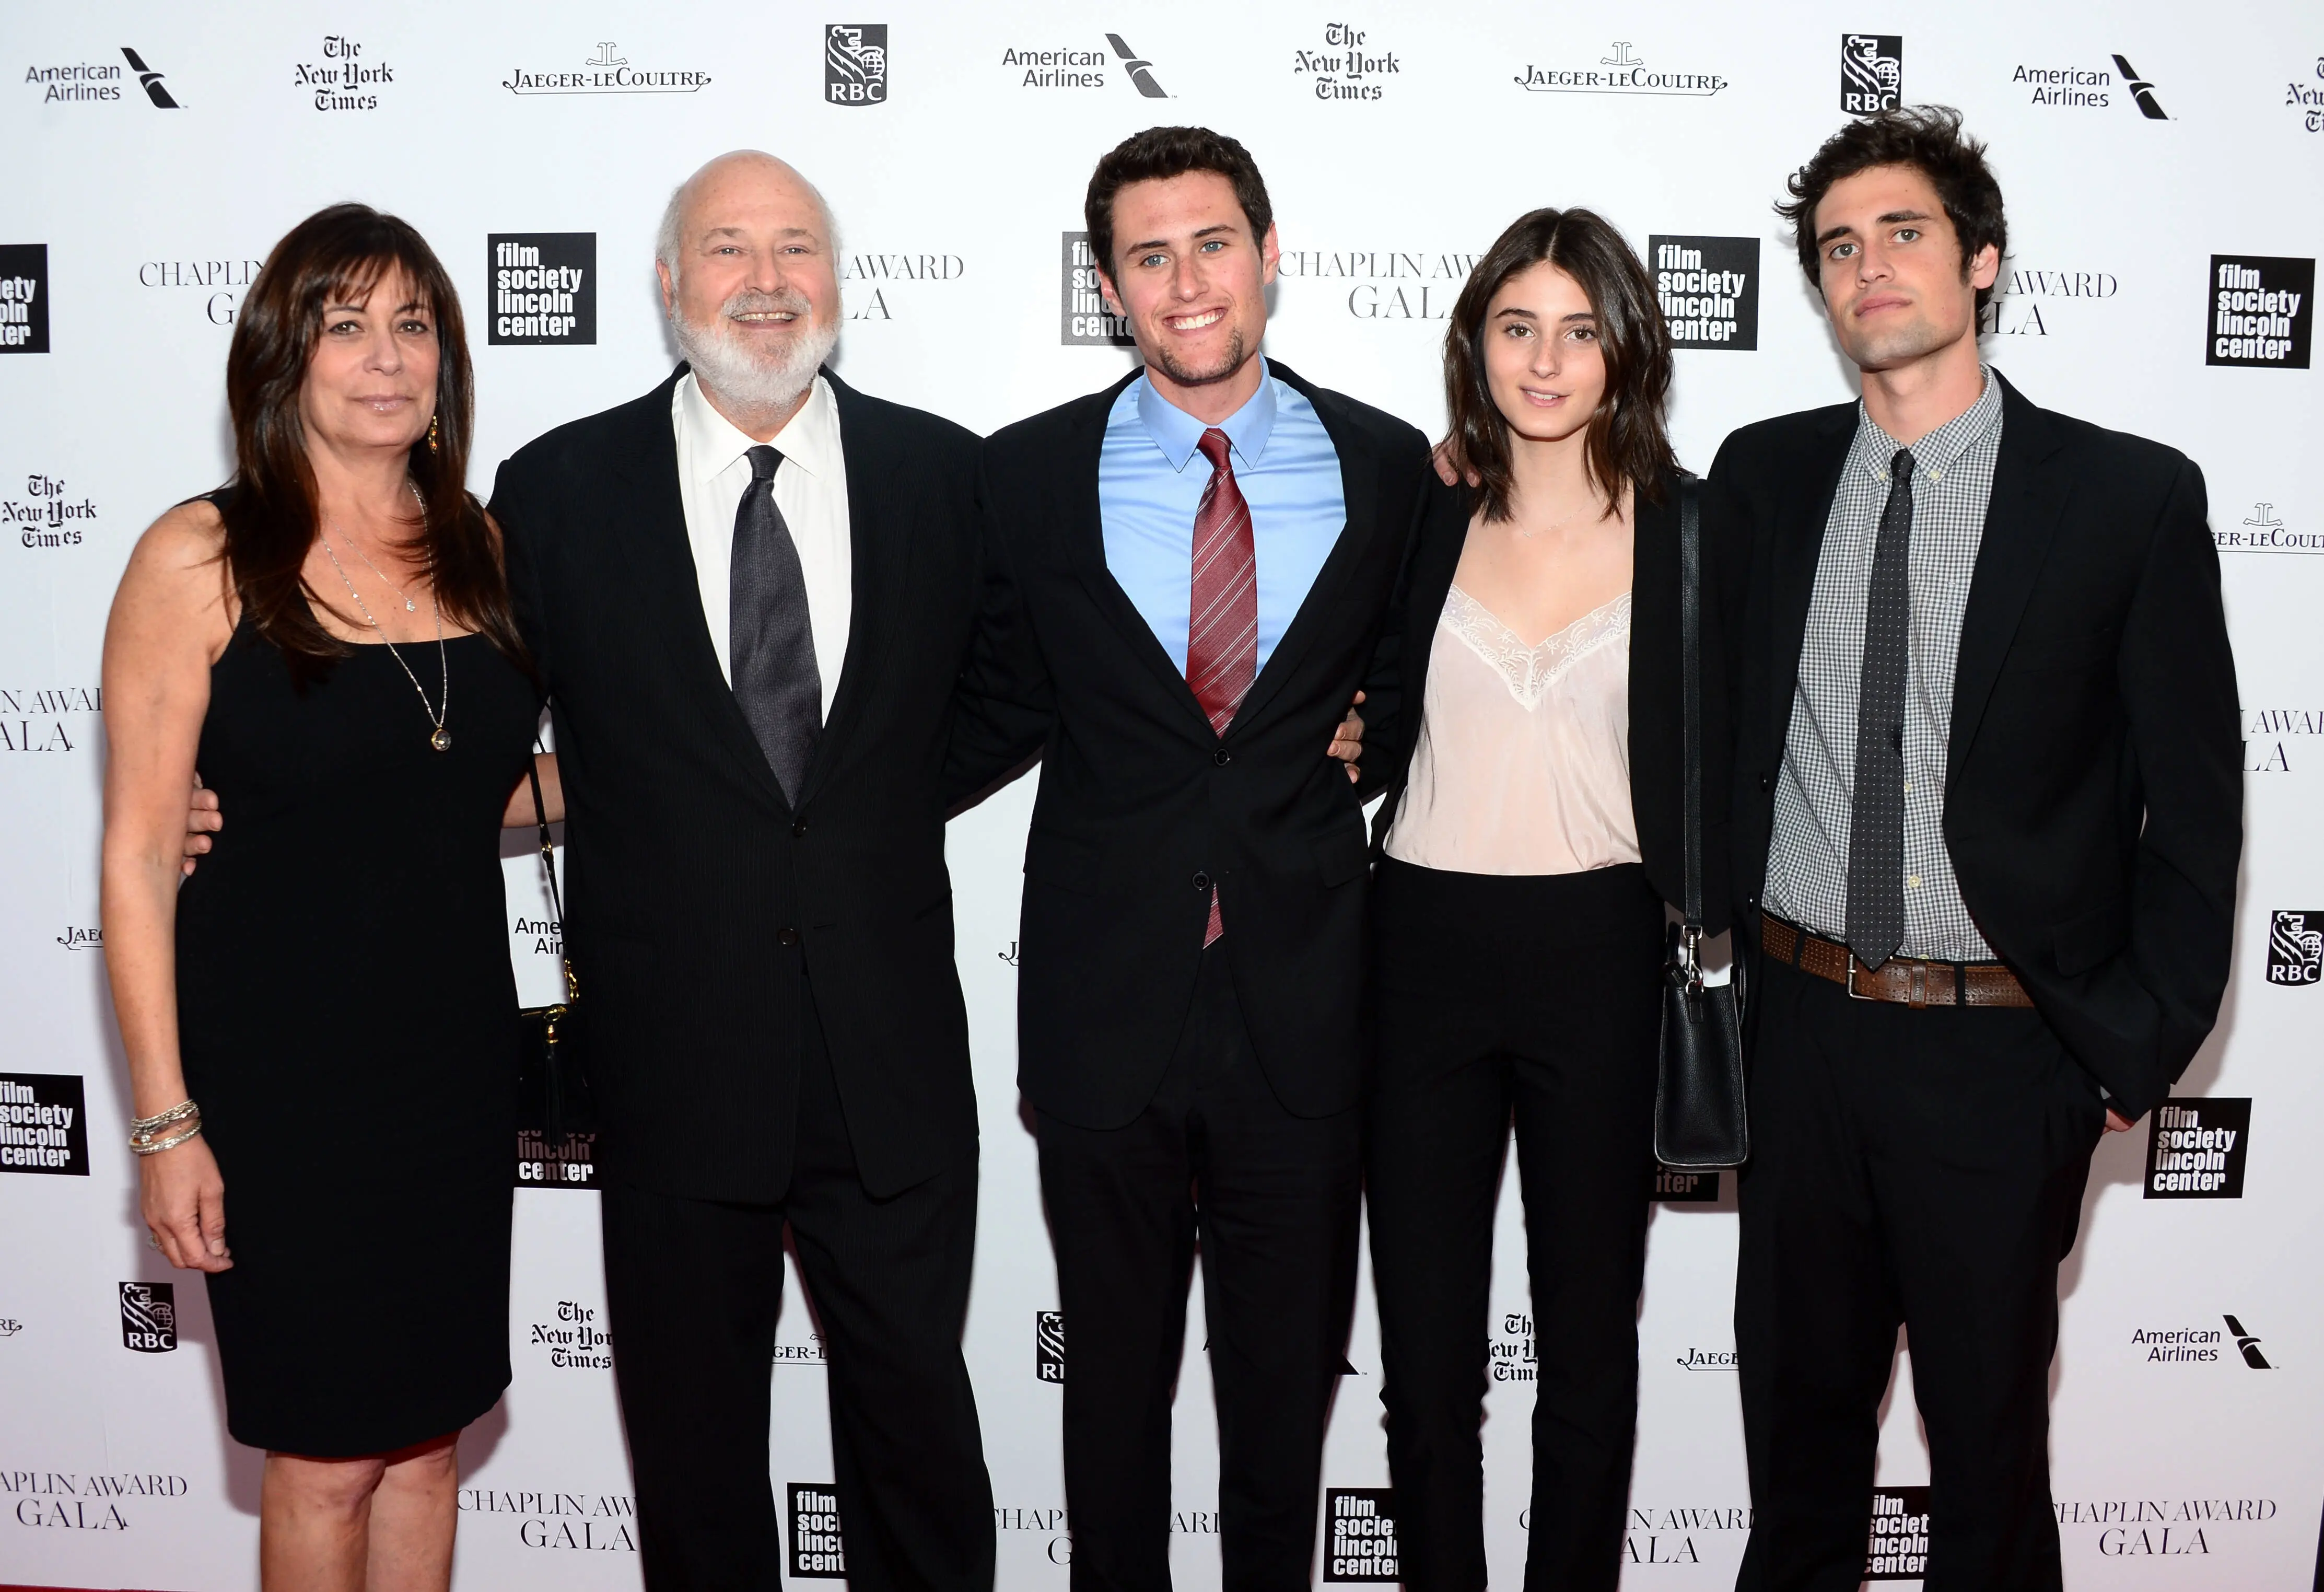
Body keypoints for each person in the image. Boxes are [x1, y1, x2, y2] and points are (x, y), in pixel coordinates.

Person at [1716, 107, 2240, 1590]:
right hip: (1801, 1042)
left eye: (1905, 233)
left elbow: (2195, 817)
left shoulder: (2127, 499)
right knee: (1797, 1484)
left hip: (2000, 1056)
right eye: (1838, 246)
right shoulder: (1760, 479)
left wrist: (2113, 1055)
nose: (1869, 266)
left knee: (1993, 1492)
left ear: (1983, 263)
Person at [487, 151, 997, 1590]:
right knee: (697, 1458)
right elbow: (468, 722)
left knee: (916, 1435)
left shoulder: (944, 475)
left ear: (840, 280)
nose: (766, 282)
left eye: (797, 249)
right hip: (668, 1052)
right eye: (726, 248)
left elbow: (1022, 684)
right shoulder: (558, 489)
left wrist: (863, 802)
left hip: (886, 1049)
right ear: (668, 284)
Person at [952, 125, 1429, 1590]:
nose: (1186, 279)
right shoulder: (1022, 479)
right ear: (1109, 284)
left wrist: (1379, 742)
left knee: (1285, 1411)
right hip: (1105, 1015)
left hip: (1307, 1008)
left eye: (1211, 242)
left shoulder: (1391, 465)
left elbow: (1420, 697)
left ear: (1270, 254)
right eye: (1148, 255)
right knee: (1112, 1406)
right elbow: (974, 705)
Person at [102, 203, 543, 1592]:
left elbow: (467, 785)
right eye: (344, 323)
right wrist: (166, 1124)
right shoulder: (200, 555)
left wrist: (704, 771)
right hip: (282, 1084)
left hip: (454, 1068)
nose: (384, 355)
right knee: (326, 1453)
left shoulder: (480, 545)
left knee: (425, 1440)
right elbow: (132, 856)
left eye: (412, 323)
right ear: (282, 356)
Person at [1361, 208, 1744, 1590]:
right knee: (1427, 1364)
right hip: (1418, 947)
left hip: (1601, 949)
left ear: (1626, 349)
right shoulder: (1422, 511)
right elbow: (1352, 700)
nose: (1546, 358)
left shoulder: (1696, 530)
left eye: (1581, 329)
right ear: (1479, 341)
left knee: (1590, 1353)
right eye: (1518, 326)